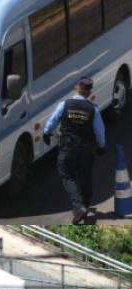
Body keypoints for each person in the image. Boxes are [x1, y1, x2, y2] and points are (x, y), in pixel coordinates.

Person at [43, 77, 107, 224]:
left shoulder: (64, 105)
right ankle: (84, 206)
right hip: (86, 150)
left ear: (76, 87)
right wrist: (102, 146)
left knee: (67, 176)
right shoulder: (94, 109)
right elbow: (100, 132)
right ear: (90, 92)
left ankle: (79, 208)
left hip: (68, 149)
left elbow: (52, 121)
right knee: (85, 176)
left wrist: (46, 133)